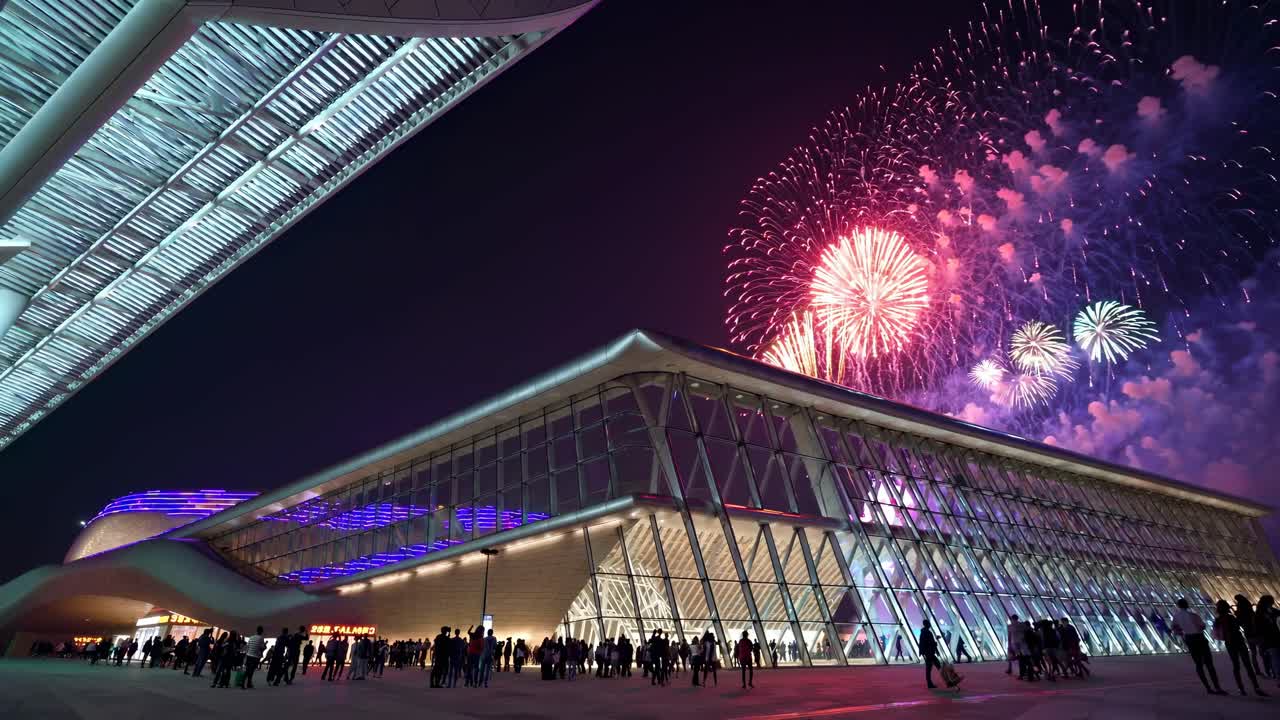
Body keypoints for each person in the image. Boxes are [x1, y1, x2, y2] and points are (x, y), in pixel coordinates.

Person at [1171, 598, 1227, 695]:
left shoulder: (1176, 616)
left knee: (1198, 664)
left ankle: (1208, 688)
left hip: (1189, 638)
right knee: (1209, 664)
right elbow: (1202, 626)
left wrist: (1182, 632)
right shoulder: (1193, 615)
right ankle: (1217, 687)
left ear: (1178, 606)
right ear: (1187, 604)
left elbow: (1174, 628)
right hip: (1199, 638)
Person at [1214, 599, 1266, 696]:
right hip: (1238, 641)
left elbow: (1217, 633)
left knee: (1236, 665)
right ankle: (1256, 687)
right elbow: (1239, 625)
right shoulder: (1231, 618)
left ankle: (1241, 688)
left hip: (1229, 643)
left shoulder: (1218, 620)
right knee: (1247, 664)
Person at [1234, 595, 1266, 679]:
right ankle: (1268, 669)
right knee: (1263, 652)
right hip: (1257, 634)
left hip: (1249, 635)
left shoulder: (1240, 612)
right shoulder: (1250, 611)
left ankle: (1257, 670)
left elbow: (1238, 623)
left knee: (1253, 653)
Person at [1255, 595, 1280, 687]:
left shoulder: (1273, 612)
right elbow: (1259, 628)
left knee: (1275, 659)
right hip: (1270, 640)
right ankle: (1277, 677)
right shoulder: (1260, 614)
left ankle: (1276, 676)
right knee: (1276, 659)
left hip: (1273, 639)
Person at [918, 619, 941, 689]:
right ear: (927, 624)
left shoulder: (923, 632)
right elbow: (931, 642)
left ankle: (929, 683)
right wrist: (936, 648)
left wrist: (922, 652)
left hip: (928, 653)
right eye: (929, 623)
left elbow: (922, 643)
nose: (930, 624)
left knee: (929, 668)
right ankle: (948, 680)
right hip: (930, 652)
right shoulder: (927, 632)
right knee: (937, 665)